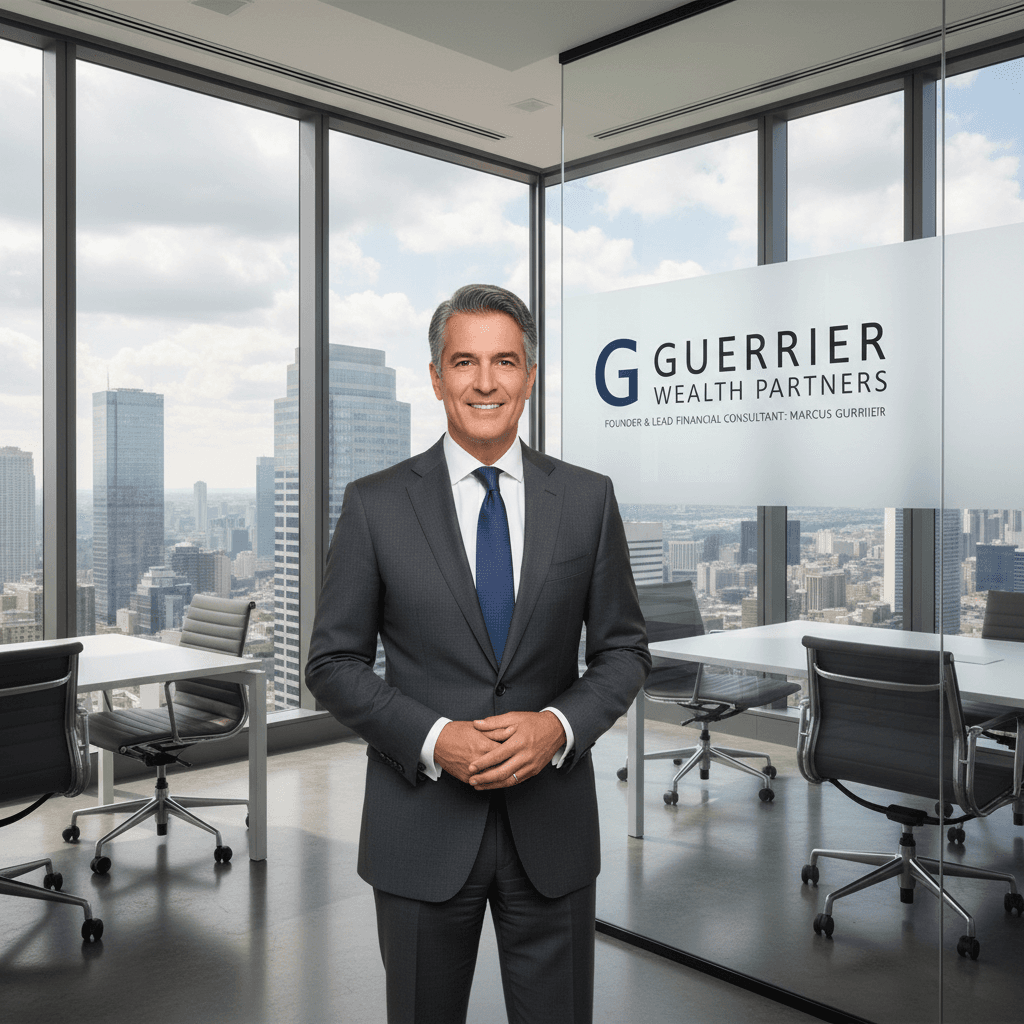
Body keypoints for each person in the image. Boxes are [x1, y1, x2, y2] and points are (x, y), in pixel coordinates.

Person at [306, 283, 650, 1024]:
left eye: (505, 362)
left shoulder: (587, 499)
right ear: (437, 378)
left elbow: (624, 649)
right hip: (420, 827)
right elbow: (331, 664)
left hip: (552, 828)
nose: (485, 382)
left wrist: (557, 726)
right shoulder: (375, 504)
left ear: (530, 376)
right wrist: (437, 740)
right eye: (465, 362)